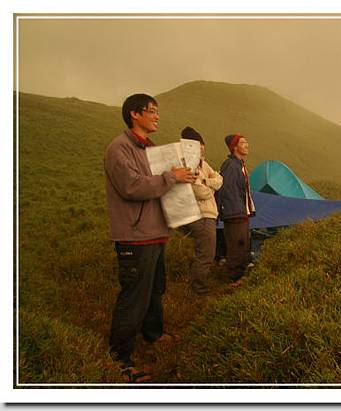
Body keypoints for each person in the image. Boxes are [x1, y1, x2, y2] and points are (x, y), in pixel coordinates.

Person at [104, 93, 195, 382]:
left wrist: (180, 179)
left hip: (155, 233)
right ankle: (120, 360)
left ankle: (153, 335)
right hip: (135, 237)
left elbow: (159, 185)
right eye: (152, 111)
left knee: (155, 290)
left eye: (157, 111)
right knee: (134, 298)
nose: (157, 116)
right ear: (135, 113)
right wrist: (171, 178)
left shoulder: (149, 148)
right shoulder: (119, 149)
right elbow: (132, 187)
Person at [180, 126, 223, 295]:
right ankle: (198, 290)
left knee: (205, 252)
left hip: (207, 213)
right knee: (206, 253)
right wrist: (210, 184)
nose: (202, 149)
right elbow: (201, 192)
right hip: (201, 214)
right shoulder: (188, 164)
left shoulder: (202, 163)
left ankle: (197, 286)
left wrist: (206, 182)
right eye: (199, 146)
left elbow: (220, 179)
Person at [215, 134, 256, 285]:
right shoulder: (230, 165)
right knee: (237, 244)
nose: (247, 145)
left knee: (242, 244)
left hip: (240, 212)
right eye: (243, 142)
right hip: (235, 213)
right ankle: (233, 279)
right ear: (234, 147)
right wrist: (236, 210)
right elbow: (227, 190)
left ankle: (238, 276)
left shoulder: (239, 164)